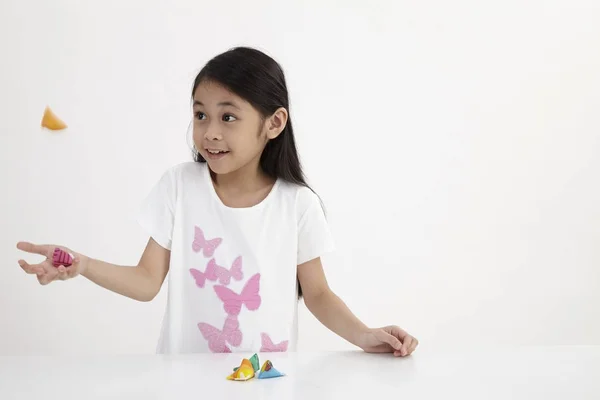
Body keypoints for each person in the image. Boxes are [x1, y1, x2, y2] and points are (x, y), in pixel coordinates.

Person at [17, 47, 418, 357]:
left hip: (266, 382)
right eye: (200, 115)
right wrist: (81, 264)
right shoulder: (179, 186)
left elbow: (318, 295)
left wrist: (365, 335)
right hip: (181, 382)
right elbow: (146, 282)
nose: (209, 132)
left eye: (228, 117)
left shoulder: (297, 205)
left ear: (273, 123)